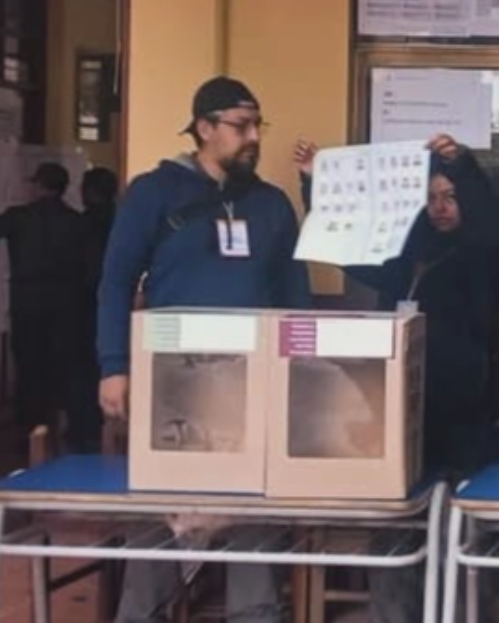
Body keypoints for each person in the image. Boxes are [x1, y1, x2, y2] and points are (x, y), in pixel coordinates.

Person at [97, 76, 311, 623]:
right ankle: (142, 614)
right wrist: (114, 366)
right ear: (204, 128)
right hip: (175, 380)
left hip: (256, 383)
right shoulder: (155, 192)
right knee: (162, 512)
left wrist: (300, 375)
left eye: (258, 125)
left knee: (255, 513)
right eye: (241, 126)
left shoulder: (271, 205)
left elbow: (294, 294)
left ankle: (256, 614)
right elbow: (117, 279)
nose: (253, 137)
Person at [294, 133, 499, 623]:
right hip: (396, 418)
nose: (440, 208)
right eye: (430, 198)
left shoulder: (485, 258)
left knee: (462, 538)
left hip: (462, 420)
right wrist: (314, 186)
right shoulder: (401, 258)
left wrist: (467, 169)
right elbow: (347, 244)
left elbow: (493, 230)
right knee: (394, 540)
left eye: (450, 197)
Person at [0, 162, 86, 455]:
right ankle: (56, 428)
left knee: (28, 366)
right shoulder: (77, 221)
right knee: (60, 367)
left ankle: (29, 431)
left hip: (27, 303)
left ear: (38, 186)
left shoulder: (17, 217)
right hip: (66, 305)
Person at [67, 166, 121, 452]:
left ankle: (84, 433)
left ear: (88, 191)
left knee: (81, 370)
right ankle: (107, 431)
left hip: (83, 305)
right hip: (115, 310)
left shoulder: (82, 223)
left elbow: (85, 271)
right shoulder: (122, 219)